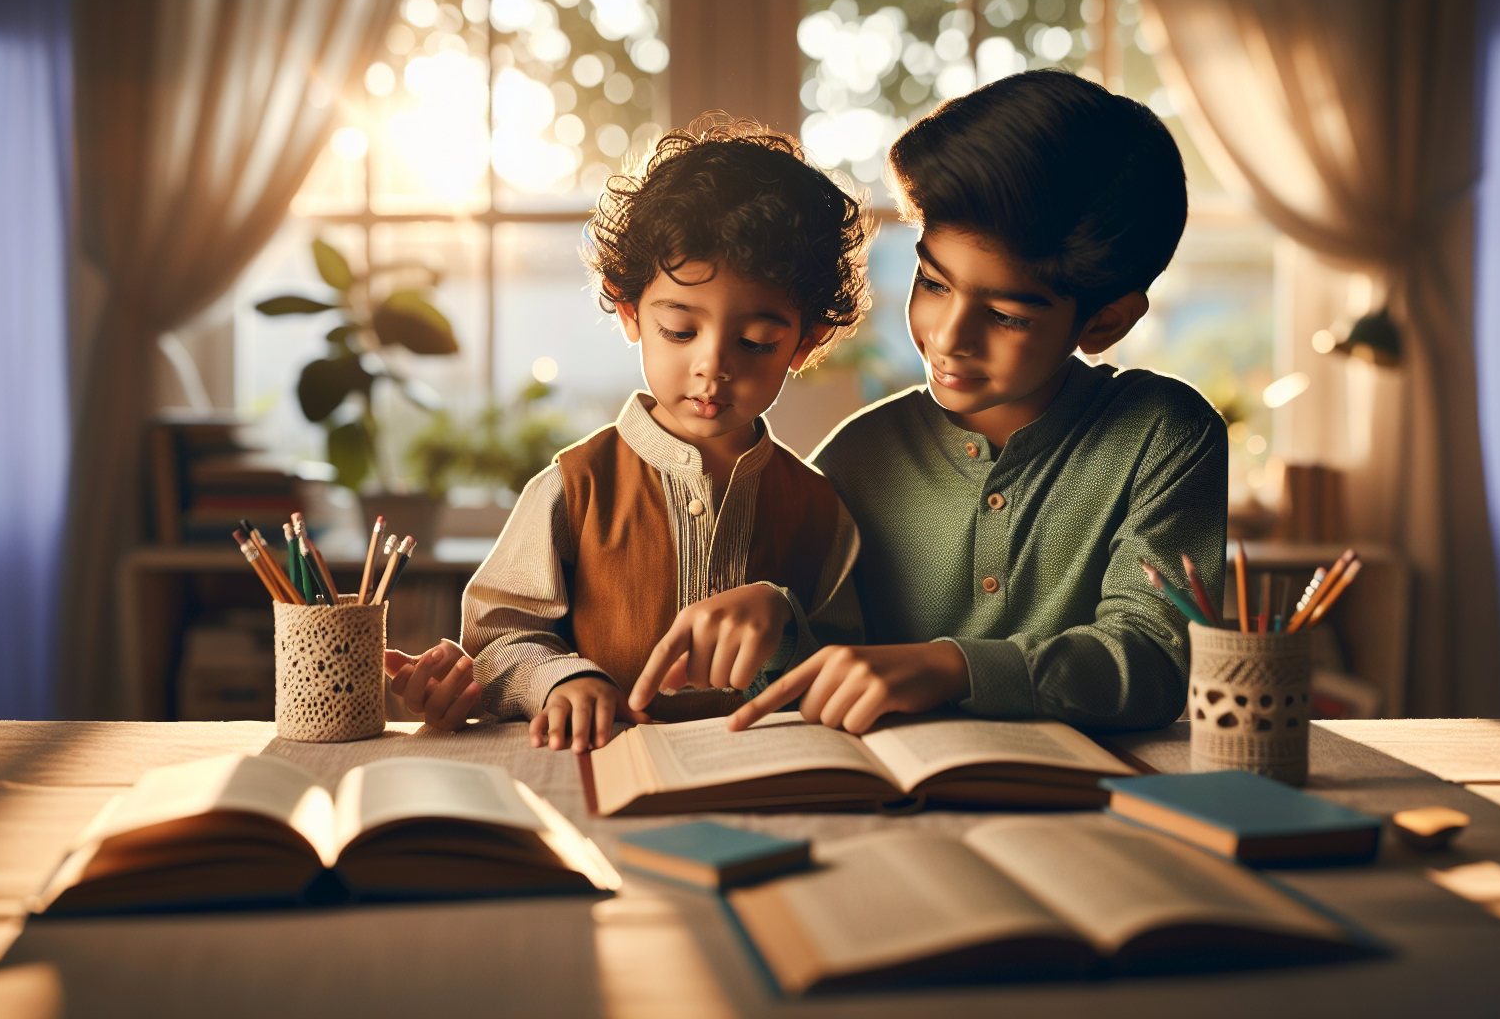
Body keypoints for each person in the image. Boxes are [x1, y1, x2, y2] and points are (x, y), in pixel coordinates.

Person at [630, 70, 1228, 735]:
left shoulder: (1164, 435)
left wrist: (952, 667)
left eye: (1005, 316)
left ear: (1105, 323)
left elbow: (1156, 659)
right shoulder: (857, 458)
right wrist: (775, 625)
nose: (948, 337)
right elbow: (817, 666)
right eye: (933, 283)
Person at [384, 117, 871, 752]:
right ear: (629, 309)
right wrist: (561, 680)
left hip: (773, 779)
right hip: (600, 773)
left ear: (805, 345)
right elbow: (498, 639)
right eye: (680, 330)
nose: (713, 366)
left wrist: (785, 634)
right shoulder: (574, 487)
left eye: (757, 342)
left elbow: (850, 657)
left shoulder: (817, 506)